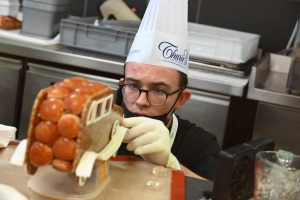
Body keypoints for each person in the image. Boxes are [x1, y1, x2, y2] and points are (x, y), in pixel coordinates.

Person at [116, 0, 221, 181]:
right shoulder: (97, 126)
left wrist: (170, 165)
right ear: (123, 83)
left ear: (181, 99)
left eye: (158, 91)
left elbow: (216, 193)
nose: (141, 101)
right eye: (133, 86)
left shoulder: (200, 146)